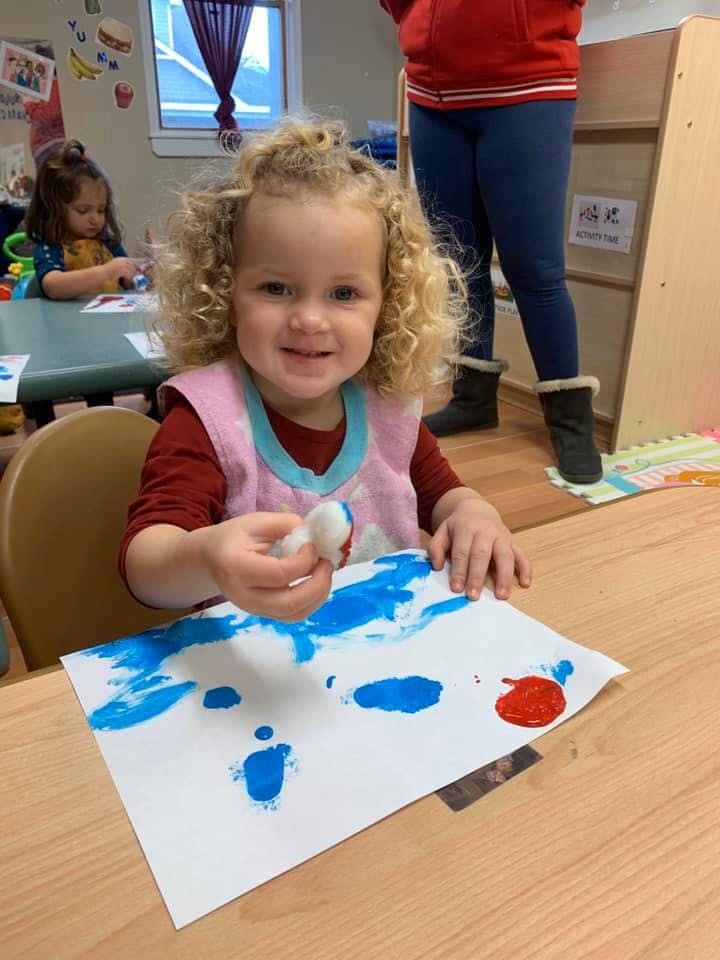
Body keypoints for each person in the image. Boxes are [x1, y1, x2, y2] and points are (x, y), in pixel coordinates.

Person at [120, 118, 532, 622]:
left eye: (343, 293)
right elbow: (145, 564)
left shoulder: (387, 410)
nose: (310, 320)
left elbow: (443, 494)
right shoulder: (205, 420)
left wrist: (472, 513)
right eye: (276, 288)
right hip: (258, 680)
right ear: (227, 292)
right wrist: (205, 558)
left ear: (388, 304)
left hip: (383, 659)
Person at [380, 0, 602, 485]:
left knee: (533, 268)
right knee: (457, 265)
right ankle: (473, 400)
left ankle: (570, 421)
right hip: (431, 95)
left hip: (529, 87)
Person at [25, 138, 140, 298]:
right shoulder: (52, 248)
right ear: (54, 208)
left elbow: (126, 280)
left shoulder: (107, 244)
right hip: (66, 322)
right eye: (83, 210)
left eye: (101, 210)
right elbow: (53, 286)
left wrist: (137, 273)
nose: (95, 219)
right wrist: (105, 272)